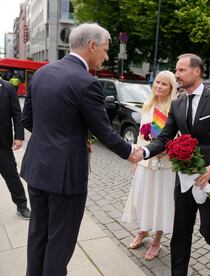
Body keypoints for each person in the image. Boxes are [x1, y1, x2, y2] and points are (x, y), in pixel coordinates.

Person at [20, 23, 141, 276]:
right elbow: (105, 132)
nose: (107, 56)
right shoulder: (88, 83)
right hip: (65, 176)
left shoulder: (42, 73)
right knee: (60, 243)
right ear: (92, 46)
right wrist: (132, 151)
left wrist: (69, 136)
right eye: (106, 50)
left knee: (38, 234)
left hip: (36, 168)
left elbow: (28, 120)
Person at [138, 53, 210, 276]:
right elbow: (165, 137)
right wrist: (144, 151)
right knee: (181, 232)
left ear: (197, 71)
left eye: (181, 70)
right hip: (184, 180)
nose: (177, 74)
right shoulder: (178, 103)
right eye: (177, 70)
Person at [122, 71, 177, 261]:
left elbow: (177, 138)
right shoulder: (148, 105)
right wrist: (137, 161)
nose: (159, 86)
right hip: (146, 162)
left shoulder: (174, 108)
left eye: (164, 84)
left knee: (161, 203)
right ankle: (143, 230)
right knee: (144, 200)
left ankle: (157, 241)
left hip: (165, 164)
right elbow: (140, 135)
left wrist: (165, 150)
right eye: (157, 83)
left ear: (171, 88)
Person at [0, 79, 31, 219]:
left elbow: (17, 114)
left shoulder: (7, 88)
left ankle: (22, 206)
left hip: (2, 144)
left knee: (11, 175)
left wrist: (19, 136)